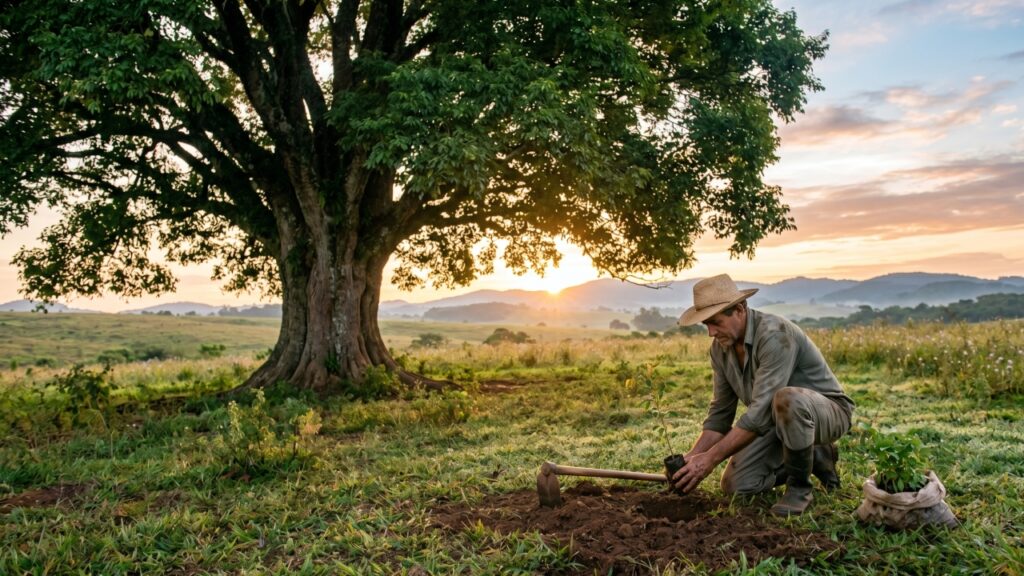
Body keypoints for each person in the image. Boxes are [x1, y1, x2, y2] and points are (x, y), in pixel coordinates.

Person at [670, 274, 854, 516]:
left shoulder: (775, 334)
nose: (711, 332)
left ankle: (799, 488)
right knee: (737, 486)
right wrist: (692, 459)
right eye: (706, 324)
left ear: (739, 309)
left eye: (716, 322)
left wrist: (711, 459)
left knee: (787, 398)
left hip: (826, 414)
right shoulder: (720, 350)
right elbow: (720, 415)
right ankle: (813, 456)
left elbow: (759, 413)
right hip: (774, 422)